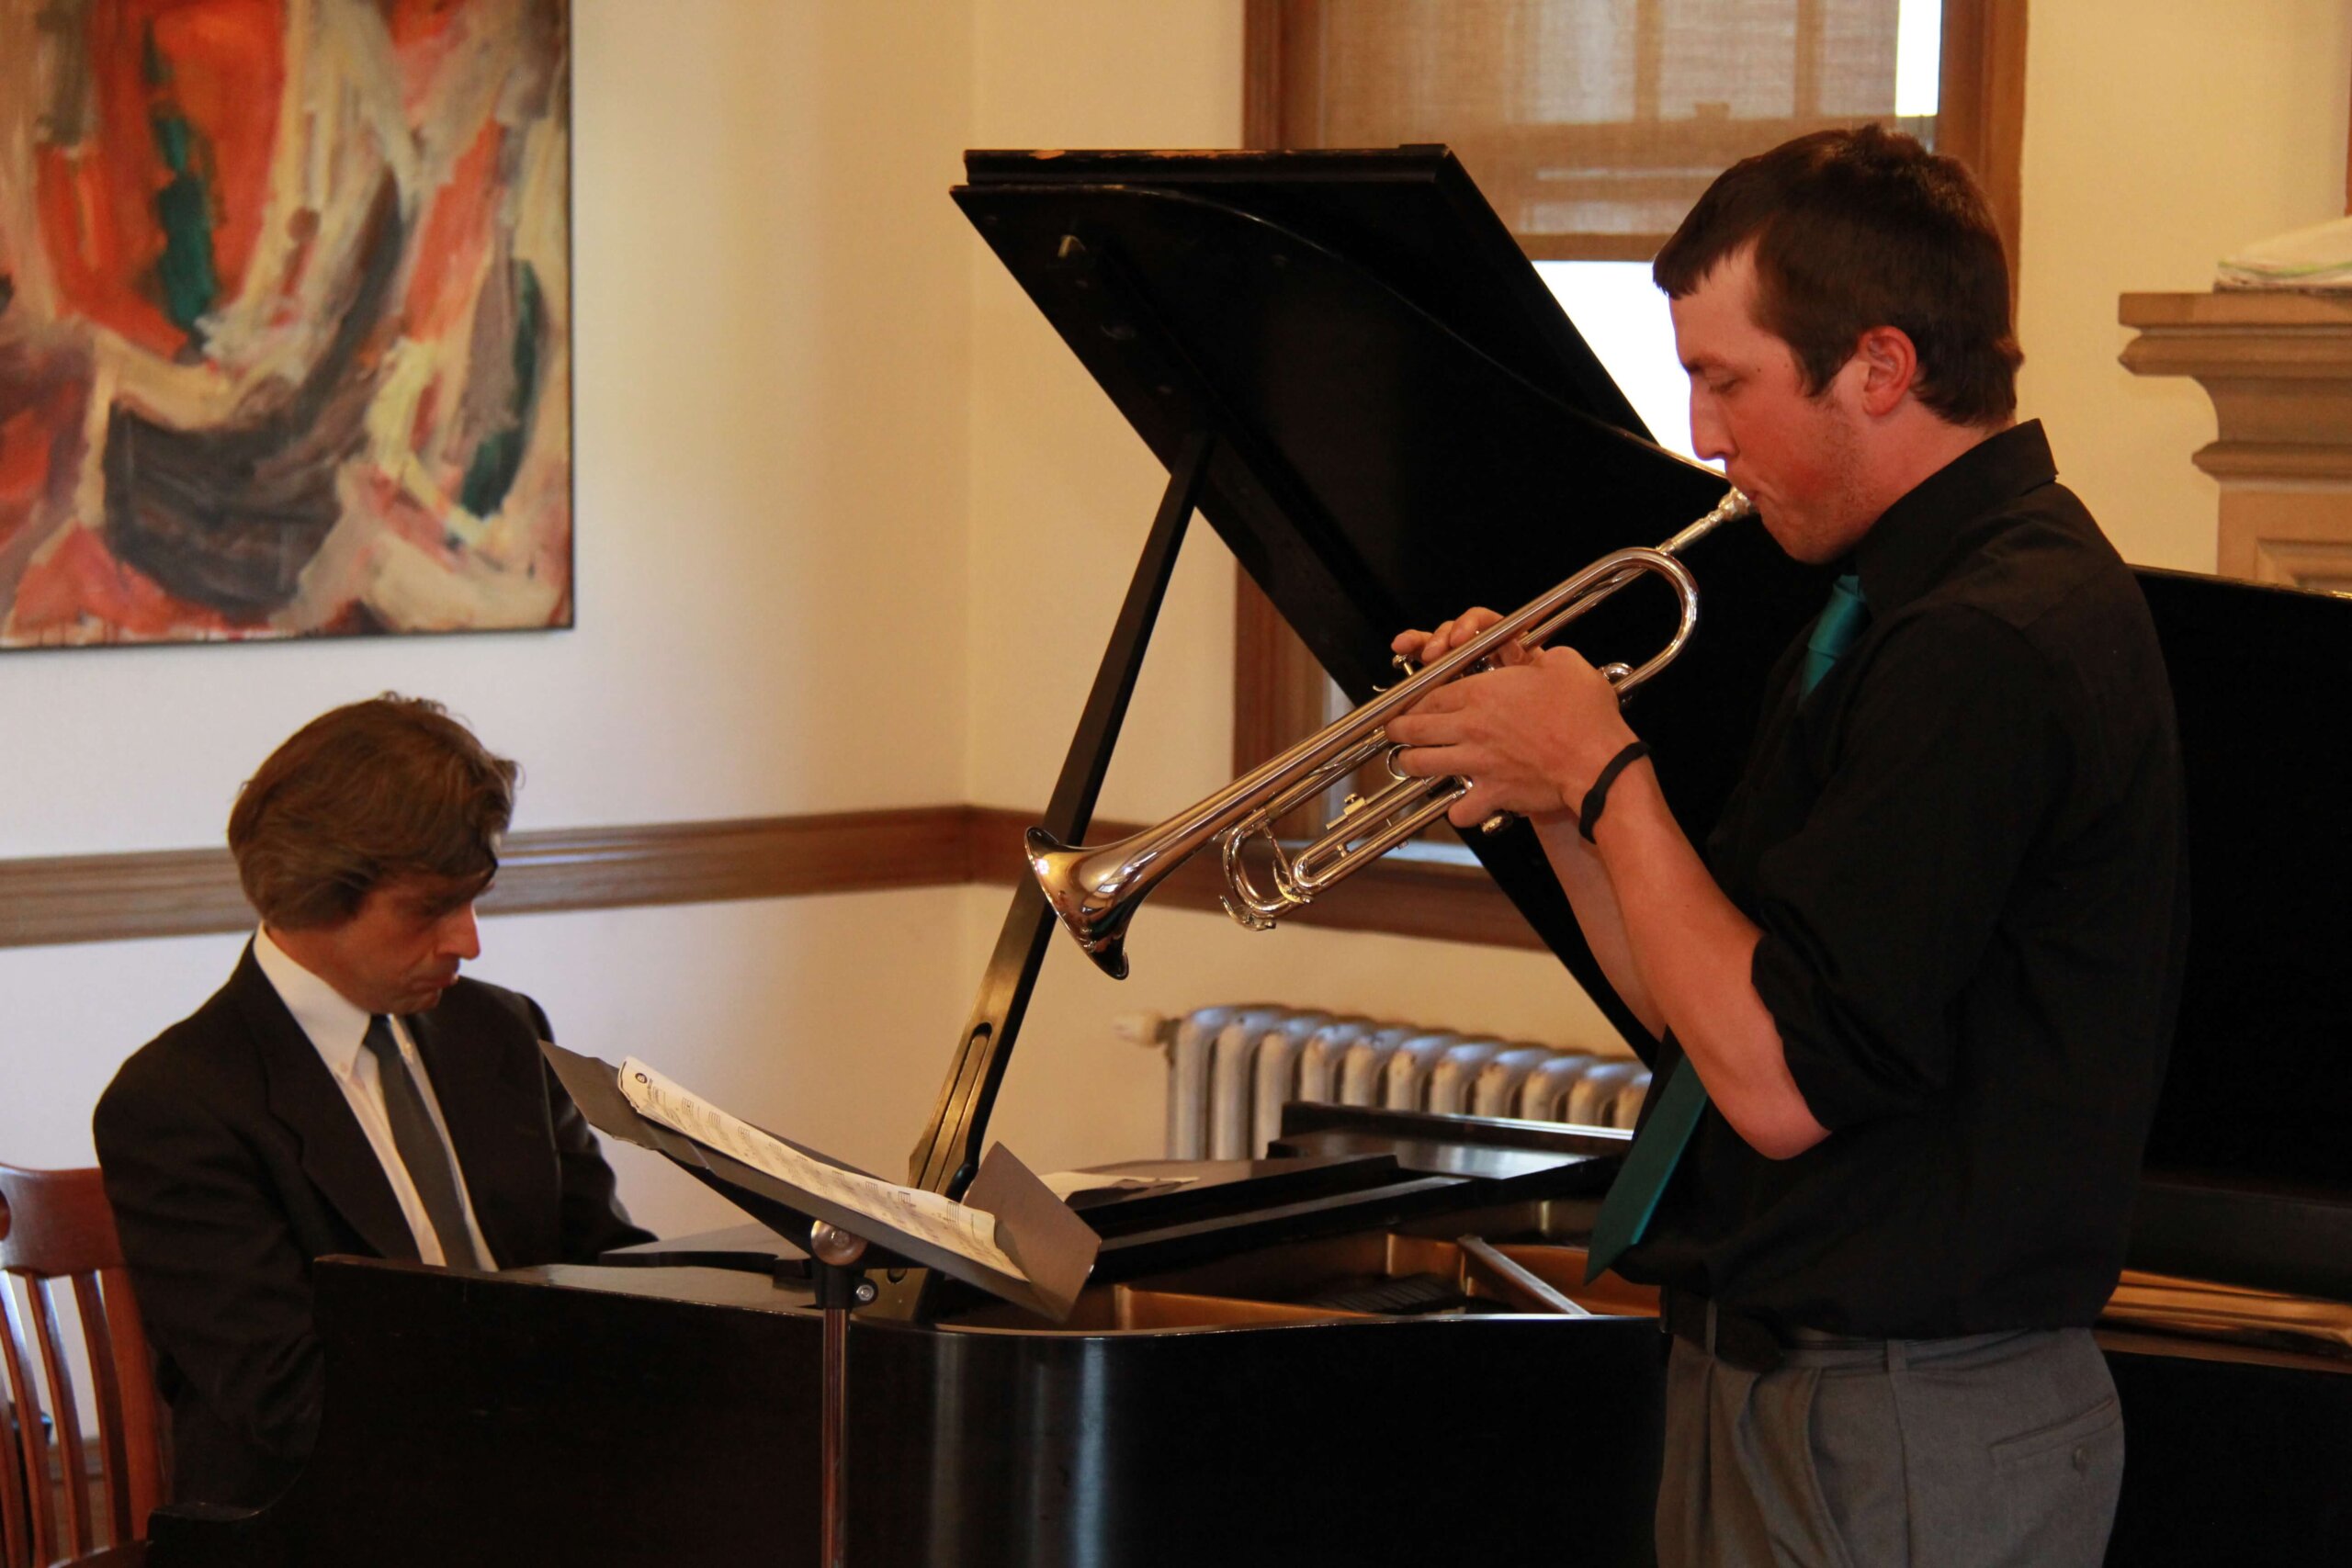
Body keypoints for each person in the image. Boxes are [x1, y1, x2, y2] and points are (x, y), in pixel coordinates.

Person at [1385, 127, 2187, 1566]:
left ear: (1879, 367)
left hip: (1904, 1418)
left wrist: (1604, 764)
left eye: (1726, 379)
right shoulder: (1875, 608)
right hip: (1788, 1383)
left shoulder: (1989, 640)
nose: (1701, 435)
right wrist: (1562, 800)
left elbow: (1778, 1087)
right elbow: (1706, 1013)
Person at [94, 695, 652, 1509]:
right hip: (326, 1517)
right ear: (308, 896)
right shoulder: (178, 1102)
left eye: (474, 899)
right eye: (429, 907)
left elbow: (598, 1260)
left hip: (528, 1488)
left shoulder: (500, 1028)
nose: (468, 940)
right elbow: (294, 1401)